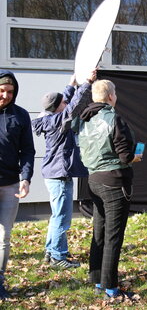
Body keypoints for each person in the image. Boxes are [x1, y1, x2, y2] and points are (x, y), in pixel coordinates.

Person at [76, 79, 142, 299]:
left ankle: (97, 280)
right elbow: (124, 155)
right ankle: (111, 289)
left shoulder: (85, 120)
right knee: (113, 236)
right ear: (111, 96)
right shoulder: (114, 118)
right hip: (115, 182)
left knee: (100, 232)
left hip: (93, 180)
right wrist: (136, 156)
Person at [32, 71, 96, 269]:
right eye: (62, 102)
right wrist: (87, 83)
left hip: (55, 174)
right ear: (57, 108)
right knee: (62, 217)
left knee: (56, 215)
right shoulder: (58, 121)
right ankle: (58, 257)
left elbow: (65, 102)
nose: (65, 103)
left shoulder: (50, 116)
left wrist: (71, 84)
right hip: (59, 176)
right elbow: (73, 107)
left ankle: (51, 251)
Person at [0, 70, 35, 299]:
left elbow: (28, 151)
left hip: (11, 185)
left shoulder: (20, 115)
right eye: (2, 91)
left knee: (4, 236)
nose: (6, 95)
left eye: (10, 92)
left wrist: (26, 178)